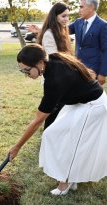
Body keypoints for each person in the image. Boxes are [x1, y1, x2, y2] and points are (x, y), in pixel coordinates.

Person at [8, 44, 107, 196]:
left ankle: (65, 182)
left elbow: (37, 121)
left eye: (27, 70)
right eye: (22, 70)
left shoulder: (54, 80)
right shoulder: (51, 61)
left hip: (92, 106)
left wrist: (17, 147)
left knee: (74, 143)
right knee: (51, 134)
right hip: (77, 102)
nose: (26, 74)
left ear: (40, 63)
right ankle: (70, 176)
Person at [29, 0, 107, 85]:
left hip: (94, 71)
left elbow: (105, 51)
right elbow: (60, 30)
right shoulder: (78, 22)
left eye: (81, 7)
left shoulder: (103, 25)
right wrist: (41, 30)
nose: (78, 10)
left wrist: (103, 73)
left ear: (91, 7)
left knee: (92, 96)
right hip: (77, 69)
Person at [35, 2, 72, 129]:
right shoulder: (49, 33)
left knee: (60, 111)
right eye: (63, 16)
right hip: (55, 78)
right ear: (55, 16)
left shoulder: (62, 31)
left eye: (68, 16)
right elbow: (55, 60)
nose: (66, 19)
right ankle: (48, 135)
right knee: (53, 111)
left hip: (63, 76)